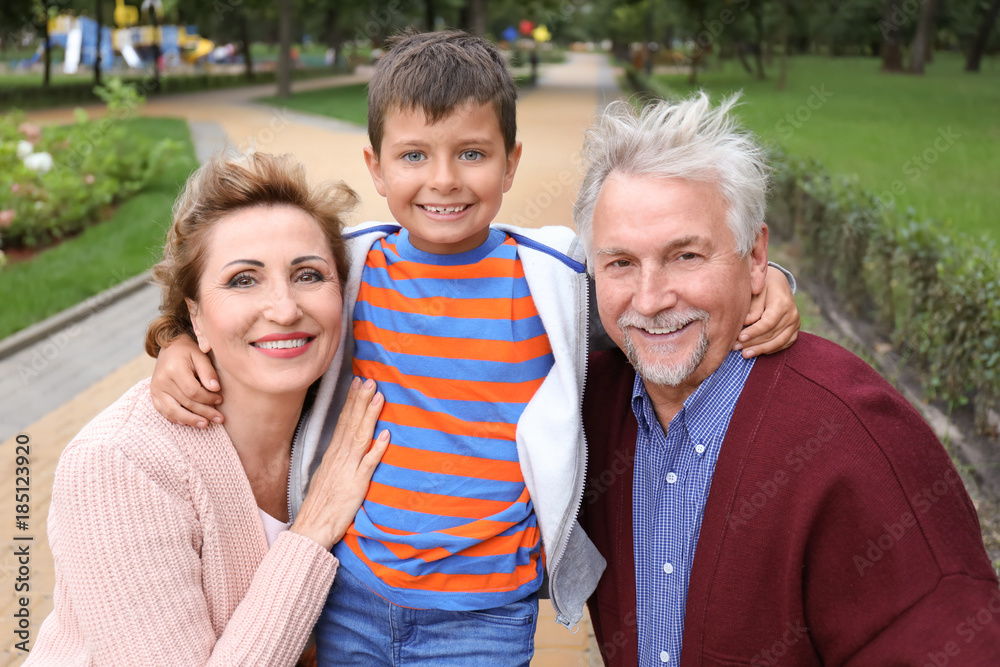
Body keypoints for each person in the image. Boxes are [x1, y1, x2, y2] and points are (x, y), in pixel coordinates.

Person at [149, 31, 801, 665]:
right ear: (374, 167)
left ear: (510, 162)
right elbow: (259, 317)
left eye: (471, 153)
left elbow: (651, 291)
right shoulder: (348, 269)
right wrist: (180, 342)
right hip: (353, 590)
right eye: (413, 156)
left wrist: (765, 279)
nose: (443, 180)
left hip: (484, 613)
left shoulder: (554, 277)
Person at [575, 93, 1000, 666]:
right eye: (621, 263)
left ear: (754, 257)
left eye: (686, 257)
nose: (650, 300)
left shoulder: (854, 435)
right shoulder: (580, 406)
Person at [25, 152, 391, 666]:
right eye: (244, 279)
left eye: (308, 274)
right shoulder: (118, 465)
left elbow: (455, 224)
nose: (285, 309)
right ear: (194, 314)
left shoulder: (348, 415)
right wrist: (315, 525)